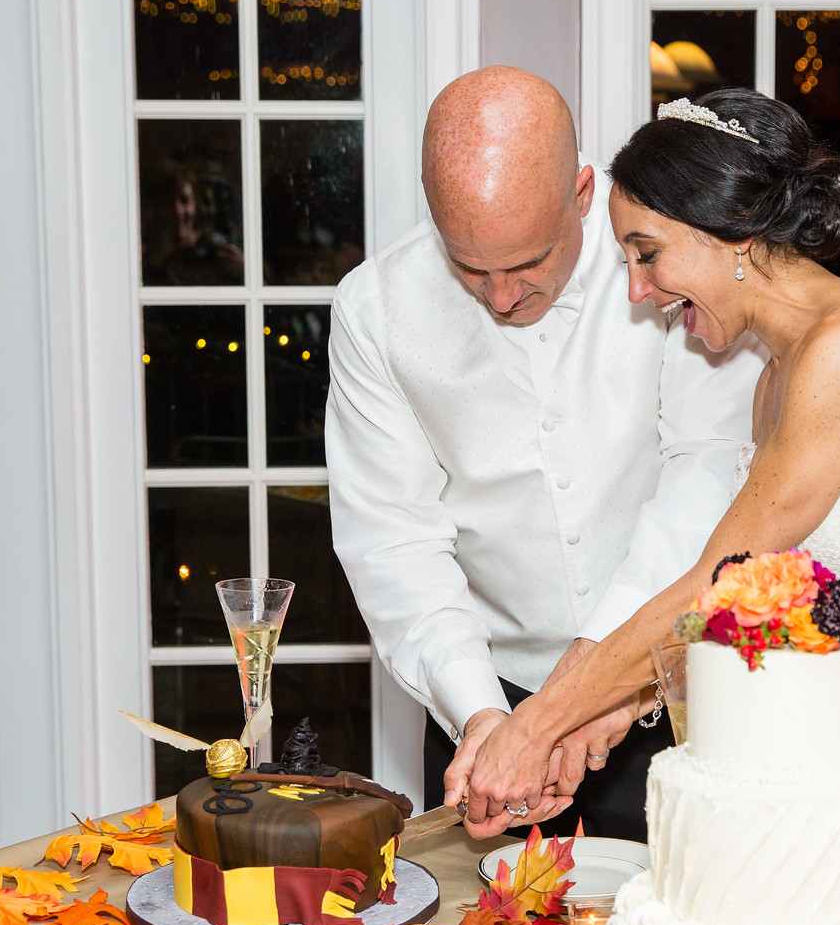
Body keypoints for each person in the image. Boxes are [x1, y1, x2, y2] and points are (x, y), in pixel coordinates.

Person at [451, 87, 840, 925]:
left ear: (734, 234)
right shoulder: (773, 379)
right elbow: (749, 602)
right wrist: (602, 718)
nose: (637, 289)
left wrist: (537, 722)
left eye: (647, 253)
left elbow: (708, 585)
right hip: (813, 763)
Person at [324, 68, 763, 842]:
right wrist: (483, 714)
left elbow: (707, 471)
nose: (500, 297)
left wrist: (595, 681)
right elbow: (393, 539)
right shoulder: (373, 312)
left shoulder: (667, 267)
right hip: (484, 714)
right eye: (468, 266)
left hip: (676, 690)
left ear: (583, 193)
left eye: (528, 261)